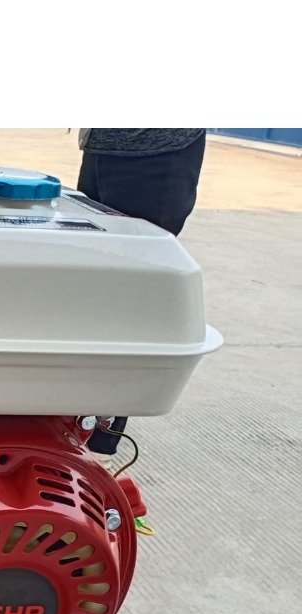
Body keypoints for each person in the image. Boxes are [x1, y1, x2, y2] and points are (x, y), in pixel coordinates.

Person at [76, 129, 206, 466]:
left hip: (155, 148)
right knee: (91, 286)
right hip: (104, 142)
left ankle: (98, 449)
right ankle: (75, 432)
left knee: (130, 299)